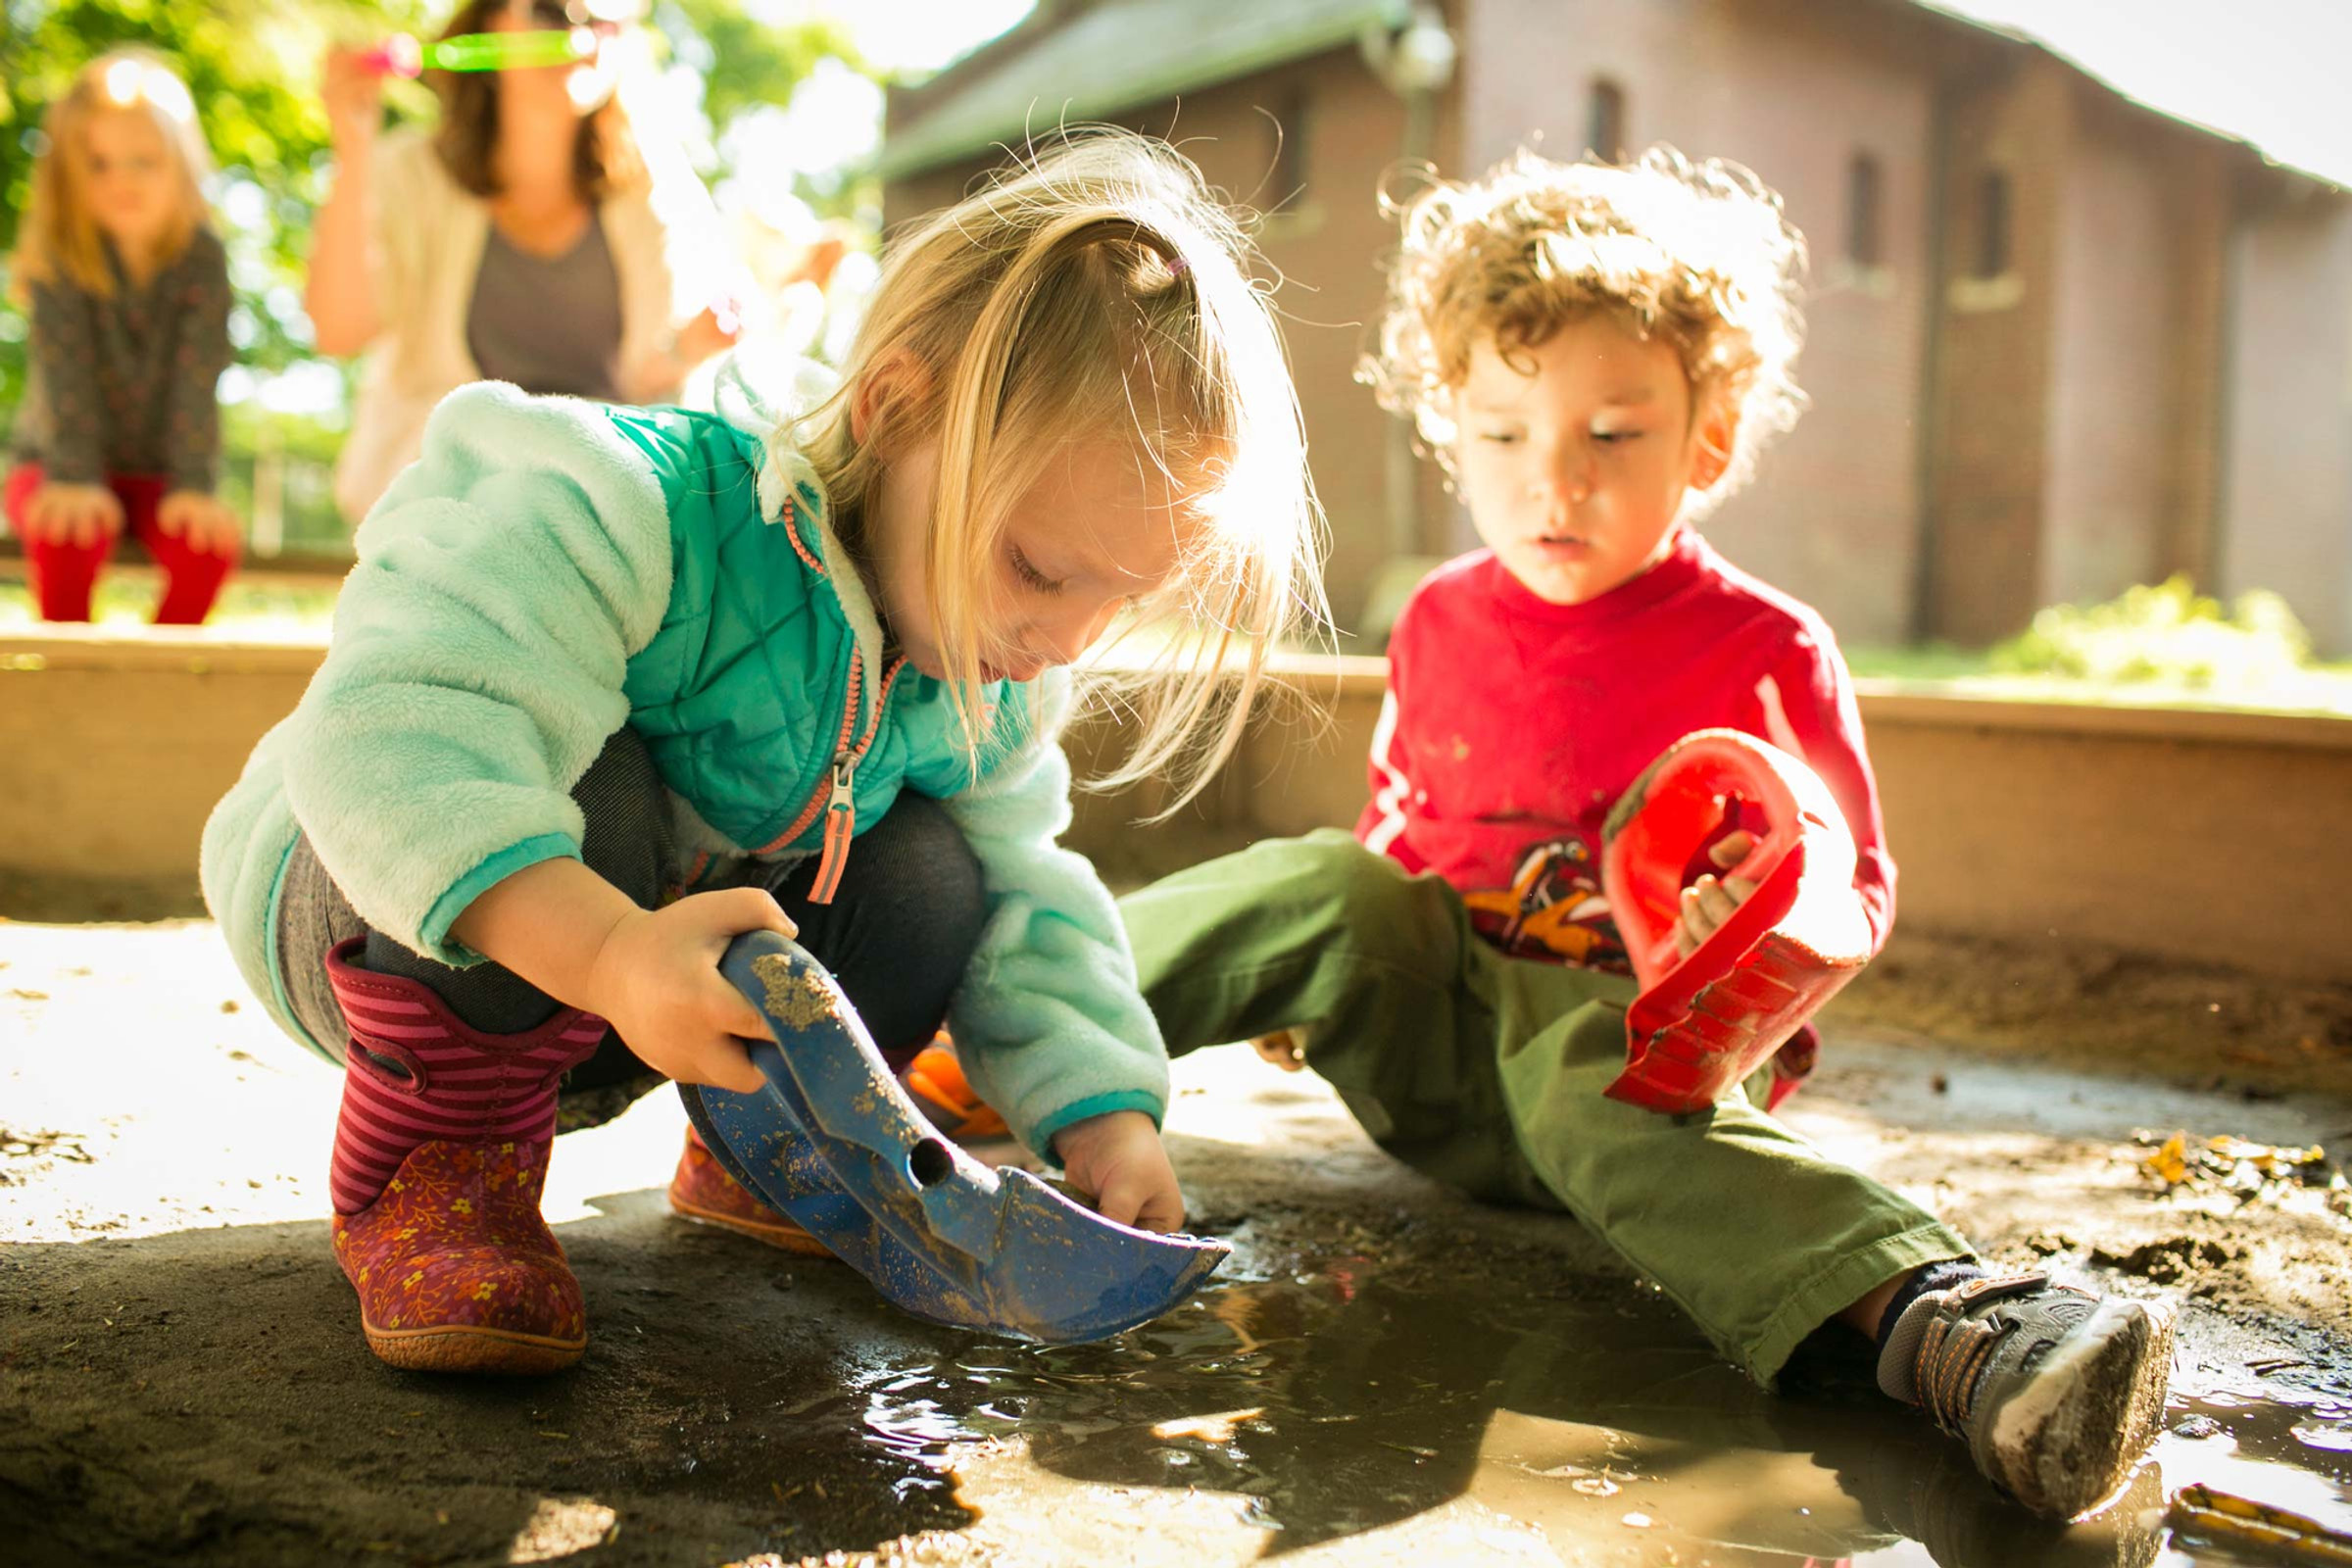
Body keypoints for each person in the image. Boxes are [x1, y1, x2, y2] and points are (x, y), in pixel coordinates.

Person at [1116, 147, 2174, 1521]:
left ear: (1707, 441)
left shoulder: (1763, 646)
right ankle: (990, 1031)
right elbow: (1399, 833)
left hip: (1639, 1083)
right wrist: (1318, 962)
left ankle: (1945, 1328)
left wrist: (1754, 916)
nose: (1551, 481)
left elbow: (1848, 882)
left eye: (1611, 436)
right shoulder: (1440, 618)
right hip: (1438, 1069)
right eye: (1502, 436)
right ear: (1450, 431)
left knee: (1582, 1054)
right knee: (1327, 882)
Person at [198, 129, 1326, 1377]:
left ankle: (780, 1154)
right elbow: (395, 740)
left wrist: (1106, 1115)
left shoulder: (985, 673)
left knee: (944, 869)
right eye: (1040, 570)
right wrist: (613, 952)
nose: (1064, 639)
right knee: (601, 780)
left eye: (1118, 602)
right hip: (379, 910)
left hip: (640, 995)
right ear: (897, 406)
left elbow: (1028, 897)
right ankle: (440, 1168)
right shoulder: (630, 506)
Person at [309, 0, 735, 522]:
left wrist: (690, 347)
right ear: (490, 24)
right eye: (553, 13)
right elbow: (338, 331)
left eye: (604, 21)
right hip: (445, 509)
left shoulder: (655, 182)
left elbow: (652, 382)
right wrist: (352, 151)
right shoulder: (408, 173)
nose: (583, 40)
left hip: (607, 501)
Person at [4, 50, 237, 625]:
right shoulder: (62, 257)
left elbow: (196, 377)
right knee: (67, 528)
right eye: (99, 165)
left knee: (206, 544)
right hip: (58, 462)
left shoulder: (202, 261)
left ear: (180, 168)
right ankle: (69, 672)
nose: (121, 182)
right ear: (69, 175)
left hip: (161, 473)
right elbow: (68, 378)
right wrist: (76, 477)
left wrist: (193, 485)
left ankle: (156, 685)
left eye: (144, 162)